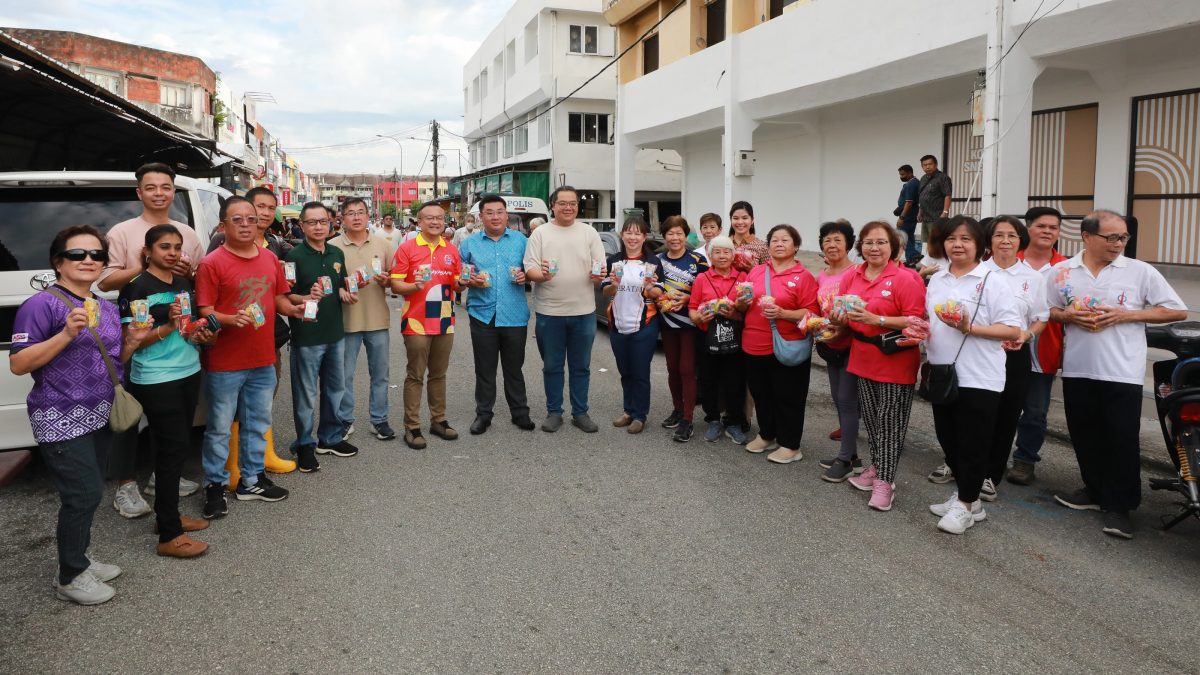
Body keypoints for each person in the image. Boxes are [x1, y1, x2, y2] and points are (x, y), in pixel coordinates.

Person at [11, 225, 148, 604]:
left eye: (96, 255)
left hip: (100, 411)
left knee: (89, 492)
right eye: (77, 254)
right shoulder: (41, 305)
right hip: (59, 414)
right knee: (83, 493)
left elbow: (113, 365)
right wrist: (65, 335)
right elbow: (19, 364)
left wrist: (133, 342)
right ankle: (70, 575)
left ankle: (80, 558)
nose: (88, 261)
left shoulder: (104, 306)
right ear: (59, 261)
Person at [1047, 210, 1187, 539]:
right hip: (1079, 367)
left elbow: (1176, 309)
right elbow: (1046, 309)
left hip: (1121, 369)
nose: (1118, 243)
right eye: (1111, 237)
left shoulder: (1139, 271)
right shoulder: (1062, 271)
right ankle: (1094, 491)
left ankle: (1121, 505)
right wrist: (1068, 315)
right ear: (1086, 236)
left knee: (1120, 438)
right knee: (1084, 432)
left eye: (1123, 237)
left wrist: (1127, 315)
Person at [98, 162, 207, 518]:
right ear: (139, 192)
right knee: (128, 412)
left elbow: (195, 277)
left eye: (165, 186)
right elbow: (106, 282)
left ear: (174, 191)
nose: (159, 192)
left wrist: (182, 271)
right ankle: (125, 486)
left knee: (170, 415)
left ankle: (163, 478)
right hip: (134, 328)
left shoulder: (187, 233)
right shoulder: (122, 232)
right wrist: (149, 265)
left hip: (178, 336)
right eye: (151, 186)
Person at [196, 197, 302, 519]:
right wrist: (230, 319)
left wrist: (295, 309)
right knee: (218, 428)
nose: (245, 224)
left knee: (258, 422)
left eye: (251, 219)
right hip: (225, 362)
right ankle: (216, 485)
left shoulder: (270, 258)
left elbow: (279, 298)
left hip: (263, 357)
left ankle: (252, 479)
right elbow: (204, 311)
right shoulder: (212, 263)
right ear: (223, 225)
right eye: (237, 219)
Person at [120, 225, 215, 558]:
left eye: (177, 247)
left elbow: (186, 329)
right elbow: (132, 342)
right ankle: (169, 537)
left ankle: (168, 518)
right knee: (172, 450)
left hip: (189, 370)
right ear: (147, 251)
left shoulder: (182, 283)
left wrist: (198, 336)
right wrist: (167, 326)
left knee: (174, 449)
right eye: (164, 247)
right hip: (156, 378)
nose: (172, 253)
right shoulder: (137, 288)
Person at [924, 216, 1021, 534]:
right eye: (951, 238)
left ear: (979, 244)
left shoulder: (993, 280)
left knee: (973, 442)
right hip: (941, 371)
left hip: (980, 375)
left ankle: (965, 504)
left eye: (966, 238)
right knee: (948, 439)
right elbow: (931, 321)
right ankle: (969, 497)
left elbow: (1011, 329)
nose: (957, 244)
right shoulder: (938, 279)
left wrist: (970, 328)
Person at [835, 222, 926, 511]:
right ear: (860, 246)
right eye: (869, 243)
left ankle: (885, 482)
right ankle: (876, 467)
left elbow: (917, 320)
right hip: (862, 355)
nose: (874, 248)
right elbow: (845, 312)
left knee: (890, 422)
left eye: (881, 243)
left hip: (894, 358)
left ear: (893, 247)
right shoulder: (854, 275)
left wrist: (878, 321)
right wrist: (837, 318)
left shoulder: (906, 278)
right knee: (873, 419)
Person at [523, 186, 606, 433]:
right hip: (550, 312)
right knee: (552, 365)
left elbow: (600, 271)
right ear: (553, 206)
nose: (568, 207)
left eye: (572, 203)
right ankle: (554, 412)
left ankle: (580, 413)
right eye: (563, 203)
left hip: (584, 311)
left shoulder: (589, 233)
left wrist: (599, 275)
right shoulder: (540, 234)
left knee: (581, 366)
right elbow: (530, 270)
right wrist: (543, 275)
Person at [979, 216, 1048, 502]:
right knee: (975, 412)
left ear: (1021, 240)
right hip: (979, 353)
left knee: (1007, 415)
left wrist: (1027, 336)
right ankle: (960, 463)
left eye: (1012, 235)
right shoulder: (977, 272)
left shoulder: (1032, 277)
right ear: (989, 240)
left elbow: (1041, 317)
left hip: (1014, 356)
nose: (1005, 241)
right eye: (999, 235)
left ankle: (990, 475)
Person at [286, 202, 359, 471]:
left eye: (323, 222)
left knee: (335, 389)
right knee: (305, 394)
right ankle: (305, 444)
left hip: (335, 334)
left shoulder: (336, 252)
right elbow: (285, 295)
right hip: (307, 336)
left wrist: (346, 294)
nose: (318, 227)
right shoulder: (293, 256)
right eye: (312, 222)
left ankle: (330, 437)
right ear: (302, 225)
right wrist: (306, 297)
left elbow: (342, 286)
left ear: (331, 223)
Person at [740, 224, 819, 464]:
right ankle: (767, 435)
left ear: (795, 246)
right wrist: (740, 302)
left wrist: (784, 313)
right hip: (753, 343)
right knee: (762, 394)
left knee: (788, 397)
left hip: (787, 345)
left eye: (786, 240)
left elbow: (812, 312)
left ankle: (791, 444)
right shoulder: (756, 272)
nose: (779, 243)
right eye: (775, 239)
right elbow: (744, 304)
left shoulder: (803, 276)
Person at [459, 195, 535, 435]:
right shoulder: (469, 244)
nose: (495, 217)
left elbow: (532, 270)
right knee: (485, 368)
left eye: (500, 212)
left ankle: (520, 413)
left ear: (506, 215)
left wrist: (527, 276)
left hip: (514, 314)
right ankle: (483, 415)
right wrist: (468, 280)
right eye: (489, 212)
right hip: (482, 314)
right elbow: (460, 278)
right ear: (481, 217)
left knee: (514, 367)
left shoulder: (521, 241)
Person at [389, 203, 463, 449]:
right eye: (429, 218)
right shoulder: (407, 248)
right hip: (416, 321)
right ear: (419, 221)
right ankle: (412, 426)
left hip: (445, 321)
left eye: (439, 218)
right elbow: (395, 285)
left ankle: (438, 421)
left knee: (439, 375)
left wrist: (464, 283)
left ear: (445, 221)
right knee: (415, 375)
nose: (435, 222)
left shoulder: (451, 249)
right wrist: (414, 286)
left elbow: (456, 284)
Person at [1008, 207, 1068, 485]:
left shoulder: (1066, 267)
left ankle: (1024, 460)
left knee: (1035, 411)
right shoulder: (1008, 260)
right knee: (999, 407)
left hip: (1044, 349)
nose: (1047, 232)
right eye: (1041, 226)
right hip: (1004, 347)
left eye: (1053, 227)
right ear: (1027, 228)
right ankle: (988, 456)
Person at [330, 198, 396, 442]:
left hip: (378, 320)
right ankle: (344, 419)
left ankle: (379, 419)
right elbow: (327, 285)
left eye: (360, 212)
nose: (356, 217)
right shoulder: (332, 245)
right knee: (343, 375)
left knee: (380, 375)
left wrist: (388, 281)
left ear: (369, 216)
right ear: (342, 218)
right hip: (345, 322)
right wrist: (341, 290)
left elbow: (396, 280)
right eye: (350, 213)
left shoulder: (383, 244)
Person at [602, 217, 663, 435]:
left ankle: (639, 415)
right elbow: (606, 292)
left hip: (644, 324)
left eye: (638, 233)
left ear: (644, 237)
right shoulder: (614, 261)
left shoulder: (653, 262)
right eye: (628, 232)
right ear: (622, 235)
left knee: (640, 372)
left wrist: (650, 288)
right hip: (617, 323)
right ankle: (628, 410)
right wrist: (614, 285)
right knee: (625, 371)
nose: (633, 237)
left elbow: (659, 294)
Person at [688, 236, 749, 444]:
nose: (722, 256)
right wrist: (698, 317)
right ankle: (713, 419)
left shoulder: (743, 278)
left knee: (735, 381)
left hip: (736, 337)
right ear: (710, 256)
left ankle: (733, 422)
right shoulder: (702, 279)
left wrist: (735, 313)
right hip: (707, 336)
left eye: (727, 252)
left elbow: (749, 312)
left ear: (733, 255)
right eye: (717, 252)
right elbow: (692, 308)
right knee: (708, 380)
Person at [814, 221, 862, 482]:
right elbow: (818, 309)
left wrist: (843, 329)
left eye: (837, 240)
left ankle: (844, 460)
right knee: (838, 398)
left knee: (847, 401)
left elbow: (860, 310)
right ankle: (851, 456)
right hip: (830, 345)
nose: (831, 245)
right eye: (827, 240)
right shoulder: (821, 275)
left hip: (852, 345)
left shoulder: (856, 273)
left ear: (848, 244)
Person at [653, 216, 709, 441]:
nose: (675, 238)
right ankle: (677, 408)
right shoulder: (656, 260)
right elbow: (651, 287)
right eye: (670, 234)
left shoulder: (698, 260)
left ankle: (688, 418)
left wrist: (687, 298)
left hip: (690, 324)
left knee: (687, 369)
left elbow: (707, 289)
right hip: (666, 323)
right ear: (664, 236)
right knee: (672, 369)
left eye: (679, 234)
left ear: (686, 236)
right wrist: (656, 296)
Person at [916, 154, 952, 247]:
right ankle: (931, 261)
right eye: (925, 165)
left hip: (937, 217)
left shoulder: (943, 178)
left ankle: (940, 261)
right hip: (926, 217)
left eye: (930, 164)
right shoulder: (923, 178)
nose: (927, 167)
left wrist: (945, 212)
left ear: (936, 165)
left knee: (938, 242)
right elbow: (922, 196)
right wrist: (920, 212)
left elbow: (947, 195)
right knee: (928, 242)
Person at [729, 201, 767, 272]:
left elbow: (767, 275)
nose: (740, 222)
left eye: (744, 218)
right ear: (731, 220)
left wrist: (753, 269)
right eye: (736, 218)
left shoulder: (762, 246)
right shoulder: (724, 244)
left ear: (752, 220)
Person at [895, 164, 921, 264]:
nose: (901, 177)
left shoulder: (911, 184)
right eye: (900, 175)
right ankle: (911, 259)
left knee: (901, 235)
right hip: (911, 214)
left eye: (903, 174)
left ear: (910, 173)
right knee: (909, 236)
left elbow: (909, 201)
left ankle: (914, 256)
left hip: (908, 215)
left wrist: (902, 217)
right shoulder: (914, 182)